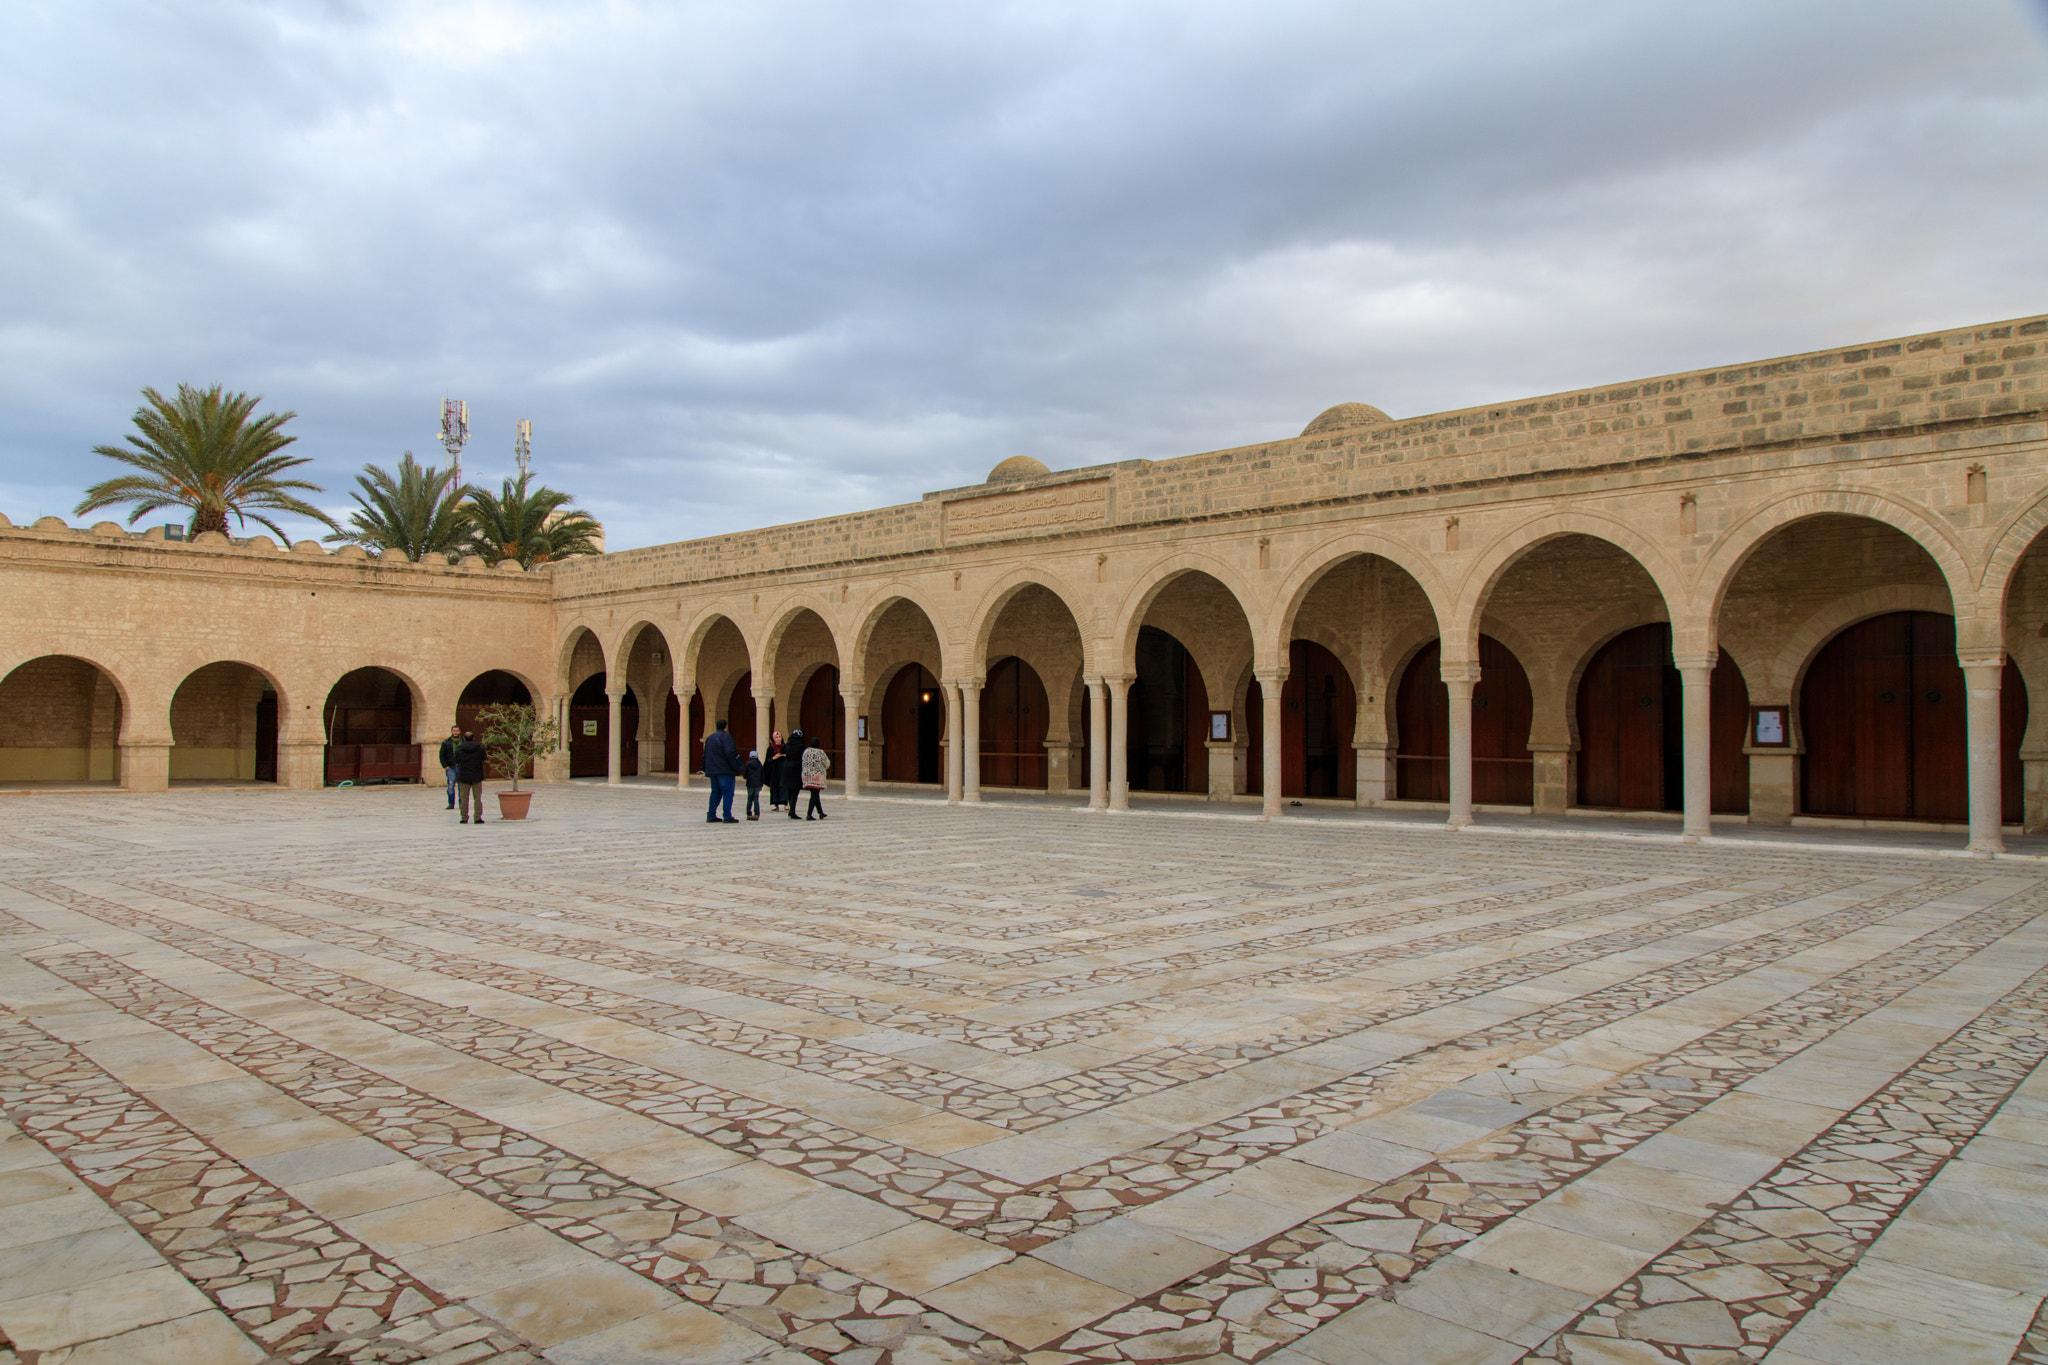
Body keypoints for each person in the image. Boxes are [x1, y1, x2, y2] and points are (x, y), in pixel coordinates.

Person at [702, 717, 740, 824]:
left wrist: (704, 768)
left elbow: (705, 754)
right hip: (725, 770)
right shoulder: (727, 737)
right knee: (727, 792)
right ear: (726, 727)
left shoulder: (709, 738)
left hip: (713, 770)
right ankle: (727, 816)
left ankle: (711, 815)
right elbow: (729, 753)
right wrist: (735, 767)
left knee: (715, 792)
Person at [453, 730, 487, 824]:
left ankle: (464, 817)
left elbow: (456, 760)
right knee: (477, 797)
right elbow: (484, 758)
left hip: (464, 776)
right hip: (476, 776)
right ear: (474, 738)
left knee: (464, 798)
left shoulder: (459, 749)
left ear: (464, 739)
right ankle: (477, 817)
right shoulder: (479, 748)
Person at [801, 736, 830, 820]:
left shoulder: (806, 751)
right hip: (816, 777)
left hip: (806, 776)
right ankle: (809, 814)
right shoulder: (820, 752)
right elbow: (827, 764)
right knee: (814, 795)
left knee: (815, 794)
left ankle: (820, 813)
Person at [782, 730, 806, 819]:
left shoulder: (787, 745)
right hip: (796, 769)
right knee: (795, 791)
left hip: (786, 768)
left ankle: (791, 810)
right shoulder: (800, 746)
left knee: (789, 790)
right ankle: (792, 811)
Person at [438, 725, 462, 809]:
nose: (455, 732)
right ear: (451, 732)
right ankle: (451, 803)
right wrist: (445, 766)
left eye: (457, 731)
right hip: (450, 767)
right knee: (451, 786)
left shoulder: (463, 742)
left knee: (461, 786)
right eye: (454, 731)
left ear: (459, 732)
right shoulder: (446, 742)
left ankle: (461, 803)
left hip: (460, 766)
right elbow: (441, 755)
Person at [763, 731, 786, 811]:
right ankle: (776, 805)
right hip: (774, 771)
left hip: (783, 770)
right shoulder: (770, 749)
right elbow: (767, 761)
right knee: (775, 787)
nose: (779, 739)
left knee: (784, 787)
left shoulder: (785, 747)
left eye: (779, 737)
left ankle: (785, 804)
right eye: (776, 737)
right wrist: (774, 758)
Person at [742, 749, 764, 820]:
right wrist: (762, 784)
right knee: (756, 799)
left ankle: (748, 813)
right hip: (757, 784)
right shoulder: (759, 764)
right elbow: (762, 774)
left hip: (750, 784)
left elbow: (745, 775)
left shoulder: (748, 764)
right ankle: (757, 813)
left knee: (749, 799)